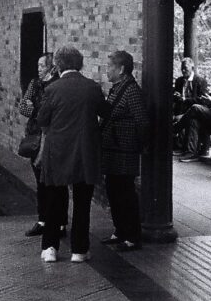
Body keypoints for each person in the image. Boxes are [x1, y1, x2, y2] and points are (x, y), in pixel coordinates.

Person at [34, 46, 104, 263]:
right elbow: (106, 113)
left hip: (57, 152)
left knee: (54, 201)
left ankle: (50, 248)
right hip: (85, 152)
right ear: (80, 64)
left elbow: (42, 120)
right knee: (82, 203)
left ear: (58, 65)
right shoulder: (92, 87)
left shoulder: (52, 89)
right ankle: (79, 250)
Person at [97, 50, 149, 252]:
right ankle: (120, 231)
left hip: (124, 150)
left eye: (110, 67)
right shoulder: (117, 88)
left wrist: (139, 145)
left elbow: (142, 121)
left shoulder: (131, 91)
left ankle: (132, 236)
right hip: (113, 149)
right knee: (114, 191)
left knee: (125, 193)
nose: (106, 71)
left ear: (121, 69)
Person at [18, 53, 63, 238]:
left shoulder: (57, 85)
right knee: (40, 181)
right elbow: (23, 106)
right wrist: (39, 110)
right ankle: (43, 220)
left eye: (42, 66)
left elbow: (49, 112)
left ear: (52, 68)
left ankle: (60, 223)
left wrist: (35, 108)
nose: (38, 69)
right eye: (38, 65)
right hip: (35, 136)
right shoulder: (35, 84)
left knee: (56, 183)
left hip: (50, 137)